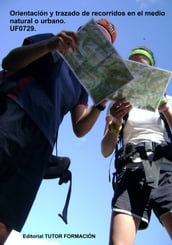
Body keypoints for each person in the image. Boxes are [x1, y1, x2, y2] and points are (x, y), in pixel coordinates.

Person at [0, 18, 117, 245]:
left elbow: (79, 128)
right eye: (94, 36)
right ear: (81, 32)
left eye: (103, 46)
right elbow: (9, 61)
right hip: (10, 117)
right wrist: (50, 45)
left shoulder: (84, 83)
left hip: (39, 146)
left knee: (6, 220)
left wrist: (100, 105)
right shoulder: (51, 42)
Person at [101, 46, 172, 245]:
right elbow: (106, 150)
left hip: (166, 171)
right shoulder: (118, 105)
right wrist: (115, 122)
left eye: (143, 67)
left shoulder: (168, 101)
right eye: (132, 66)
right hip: (131, 171)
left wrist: (165, 108)